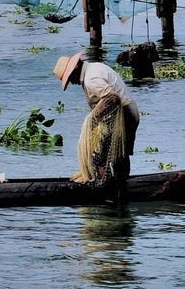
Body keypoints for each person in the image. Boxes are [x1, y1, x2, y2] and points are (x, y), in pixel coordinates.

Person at [53, 51, 140, 191]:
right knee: (117, 156)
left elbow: (112, 98)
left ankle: (110, 188)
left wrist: (93, 118)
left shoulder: (91, 78)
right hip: (128, 111)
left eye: (70, 78)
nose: (72, 82)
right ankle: (119, 186)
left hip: (125, 114)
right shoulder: (93, 68)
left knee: (103, 155)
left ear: (75, 68)